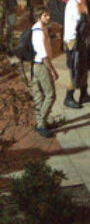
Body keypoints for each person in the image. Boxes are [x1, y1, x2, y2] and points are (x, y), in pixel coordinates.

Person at [28, 8, 58, 137]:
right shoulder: (39, 31)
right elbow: (43, 54)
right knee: (50, 95)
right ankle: (41, 124)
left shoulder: (37, 28)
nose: (48, 17)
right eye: (45, 15)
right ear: (39, 16)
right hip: (41, 66)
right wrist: (52, 70)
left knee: (39, 96)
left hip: (36, 65)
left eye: (48, 14)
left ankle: (41, 122)